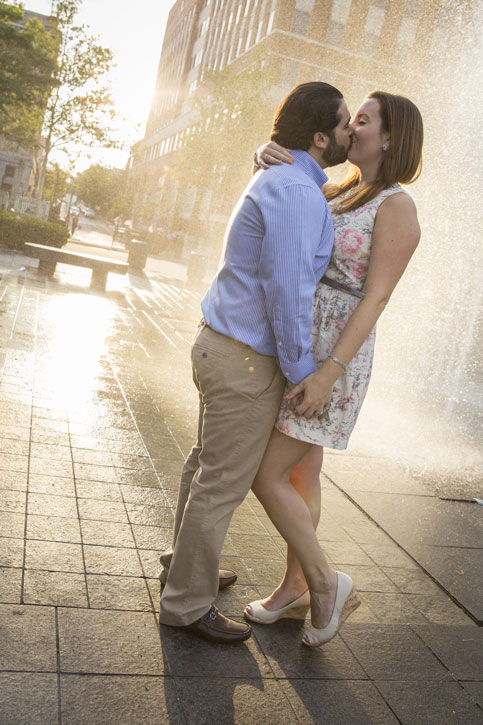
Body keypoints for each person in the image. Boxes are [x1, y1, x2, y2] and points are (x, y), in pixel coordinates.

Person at [158, 82, 353, 644]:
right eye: (344, 124)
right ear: (320, 137)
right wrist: (301, 372)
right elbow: (287, 292)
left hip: (222, 346)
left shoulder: (285, 177)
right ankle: (187, 604)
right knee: (221, 482)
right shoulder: (296, 191)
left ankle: (184, 566)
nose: (349, 132)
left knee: (205, 467)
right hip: (245, 360)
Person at [244, 91, 423, 647]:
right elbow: (286, 211)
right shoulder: (338, 188)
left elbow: (376, 298)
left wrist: (327, 373)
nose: (352, 127)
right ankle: (293, 587)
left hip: (334, 354)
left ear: (389, 137)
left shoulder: (396, 205)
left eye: (363, 120)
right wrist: (263, 156)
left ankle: (326, 584)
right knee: (302, 474)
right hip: (305, 339)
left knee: (266, 473)